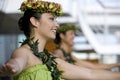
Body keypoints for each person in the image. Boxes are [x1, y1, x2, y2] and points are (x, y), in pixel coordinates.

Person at [0, 0, 120, 80]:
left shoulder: (51, 59)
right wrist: (12, 67)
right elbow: (17, 62)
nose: (56, 25)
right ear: (35, 21)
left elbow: (90, 73)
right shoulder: (24, 52)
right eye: (52, 19)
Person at [54, 23, 120, 70]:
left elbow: (93, 66)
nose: (74, 36)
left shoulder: (69, 55)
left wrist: (117, 64)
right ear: (62, 36)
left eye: (74, 34)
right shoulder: (59, 53)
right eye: (71, 33)